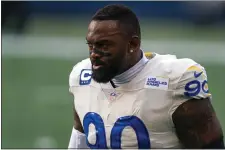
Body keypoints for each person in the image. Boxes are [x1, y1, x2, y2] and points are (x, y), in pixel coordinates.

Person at [68, 4, 224, 149]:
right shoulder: (81, 77)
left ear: (133, 45)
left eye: (104, 45)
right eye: (91, 45)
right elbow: (79, 140)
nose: (94, 54)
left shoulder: (174, 80)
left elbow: (210, 145)